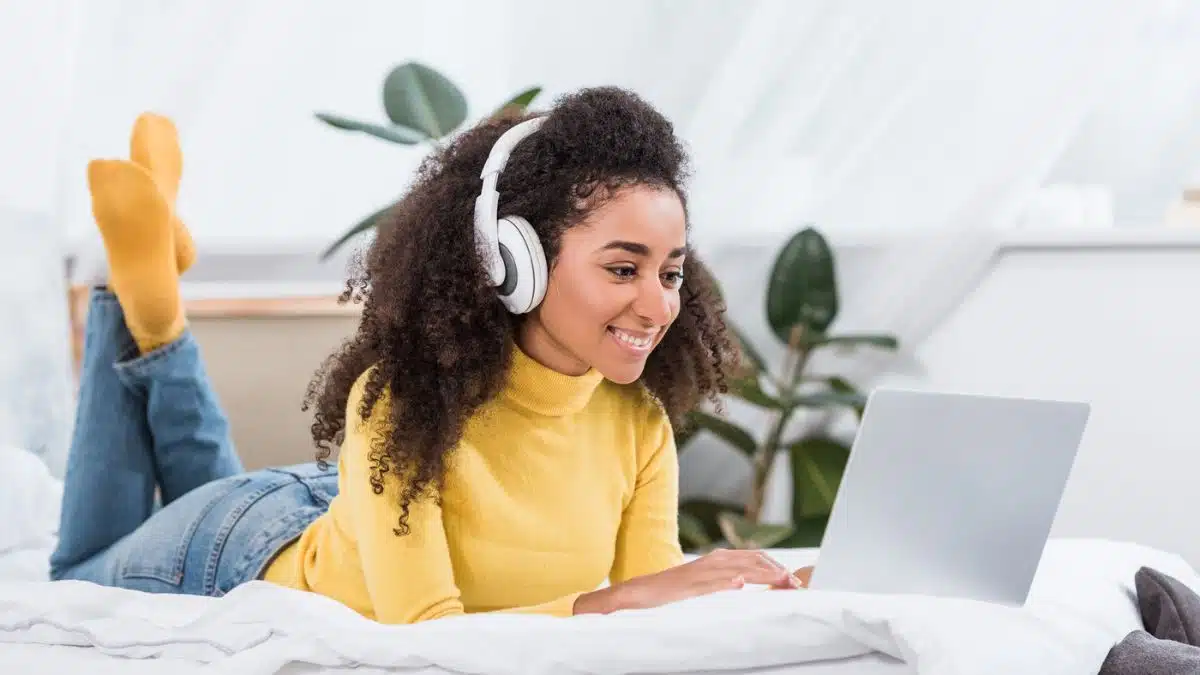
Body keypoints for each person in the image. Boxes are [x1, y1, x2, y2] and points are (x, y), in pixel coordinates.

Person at [50, 87, 808, 625]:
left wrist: (747, 595)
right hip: (253, 546)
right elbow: (430, 634)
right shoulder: (405, 404)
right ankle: (135, 301)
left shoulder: (637, 422)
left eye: (670, 271)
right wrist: (605, 600)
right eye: (622, 268)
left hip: (350, 509)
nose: (659, 304)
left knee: (198, 484)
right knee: (76, 574)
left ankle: (154, 304)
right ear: (517, 261)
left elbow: (645, 610)